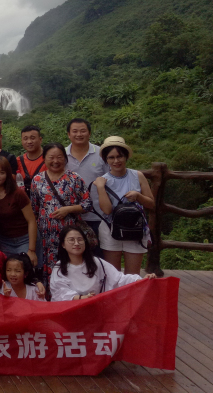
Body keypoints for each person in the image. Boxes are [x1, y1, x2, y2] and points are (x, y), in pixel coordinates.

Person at [30, 143, 92, 291]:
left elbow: (88, 204)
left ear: (65, 158)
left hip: (69, 235)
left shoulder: (74, 178)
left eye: (59, 157)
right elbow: (34, 209)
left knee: (70, 264)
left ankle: (72, 296)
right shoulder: (37, 180)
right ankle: (50, 297)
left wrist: (68, 209)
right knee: (48, 267)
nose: (55, 161)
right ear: (44, 159)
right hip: (45, 236)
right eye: (51, 157)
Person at [93, 136, 155, 274]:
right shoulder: (103, 181)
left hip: (135, 228)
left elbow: (151, 203)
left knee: (133, 275)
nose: (116, 161)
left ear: (126, 156)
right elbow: (107, 210)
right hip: (110, 228)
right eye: (111, 157)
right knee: (113, 276)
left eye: (119, 156)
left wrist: (138, 196)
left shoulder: (137, 176)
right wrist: (101, 188)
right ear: (106, 159)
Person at [50, 225, 155, 301]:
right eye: (71, 240)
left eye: (80, 239)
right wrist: (81, 298)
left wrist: (142, 280)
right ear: (63, 244)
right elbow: (59, 292)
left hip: (95, 308)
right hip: (71, 310)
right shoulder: (59, 267)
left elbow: (118, 279)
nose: (76, 243)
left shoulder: (96, 262)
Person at [0, 156, 38, 265]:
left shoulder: (17, 193)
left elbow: (31, 221)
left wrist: (31, 250)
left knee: (25, 271)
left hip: (24, 239)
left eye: (1, 172)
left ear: (8, 174)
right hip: (4, 241)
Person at [66, 118, 107, 245]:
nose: (79, 134)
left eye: (83, 131)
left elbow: (110, 180)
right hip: (70, 217)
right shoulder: (61, 155)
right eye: (75, 131)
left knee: (99, 253)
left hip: (98, 215)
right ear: (68, 134)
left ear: (89, 133)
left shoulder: (101, 154)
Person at [17, 125, 44, 195]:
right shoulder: (18, 160)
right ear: (22, 141)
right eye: (25, 139)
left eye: (32, 138)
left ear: (40, 140)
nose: (29, 142)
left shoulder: (49, 159)